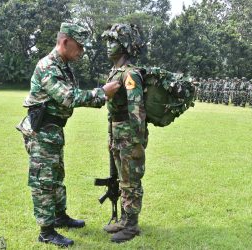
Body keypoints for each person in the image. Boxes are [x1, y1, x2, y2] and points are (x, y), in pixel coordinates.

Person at [16, 22, 120, 247]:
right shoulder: (48, 66)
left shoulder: (64, 66)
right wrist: (101, 92)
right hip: (41, 131)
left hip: (53, 131)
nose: (81, 51)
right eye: (79, 46)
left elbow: (75, 97)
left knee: (56, 177)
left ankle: (59, 216)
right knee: (44, 180)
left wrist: (101, 97)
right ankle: (46, 231)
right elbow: (68, 97)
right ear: (65, 42)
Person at [101, 23, 147, 243]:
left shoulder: (130, 74)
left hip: (129, 135)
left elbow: (136, 109)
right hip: (118, 133)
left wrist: (138, 142)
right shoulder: (115, 72)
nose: (109, 46)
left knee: (131, 180)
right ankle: (125, 219)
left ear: (125, 45)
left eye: (114, 41)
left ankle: (131, 225)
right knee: (122, 179)